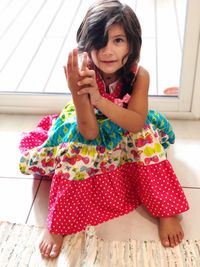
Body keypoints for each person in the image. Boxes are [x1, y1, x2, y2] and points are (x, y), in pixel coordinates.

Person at [19, 0, 189, 259]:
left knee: (146, 138)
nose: (107, 50)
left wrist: (100, 100)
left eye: (118, 40)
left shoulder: (139, 75)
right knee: (75, 153)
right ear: (87, 45)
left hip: (125, 122)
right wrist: (81, 94)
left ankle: (165, 210)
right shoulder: (83, 72)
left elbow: (135, 122)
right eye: (99, 42)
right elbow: (88, 132)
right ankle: (59, 223)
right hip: (88, 124)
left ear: (132, 44)